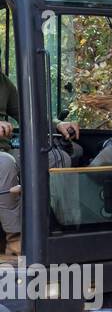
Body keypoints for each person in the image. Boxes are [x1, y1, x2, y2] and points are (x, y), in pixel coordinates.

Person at [0, 71, 79, 256]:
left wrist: (58, 124)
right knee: (5, 164)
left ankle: (59, 228)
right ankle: (15, 241)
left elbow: (28, 114)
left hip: (5, 150)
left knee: (56, 158)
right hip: (4, 158)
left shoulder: (2, 82)